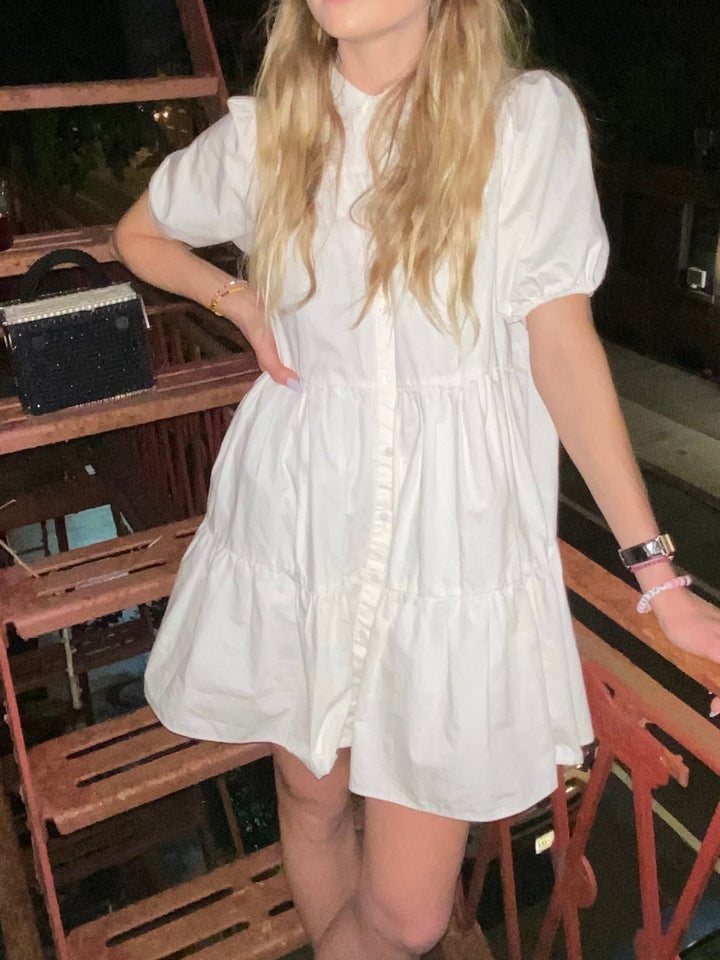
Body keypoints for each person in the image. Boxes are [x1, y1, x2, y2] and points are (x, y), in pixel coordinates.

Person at [112, 0, 720, 955]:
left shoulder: (519, 123)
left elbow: (561, 348)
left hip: (451, 553)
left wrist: (658, 574)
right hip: (302, 519)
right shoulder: (271, 133)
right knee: (310, 805)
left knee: (407, 912)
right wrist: (234, 299)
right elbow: (139, 235)